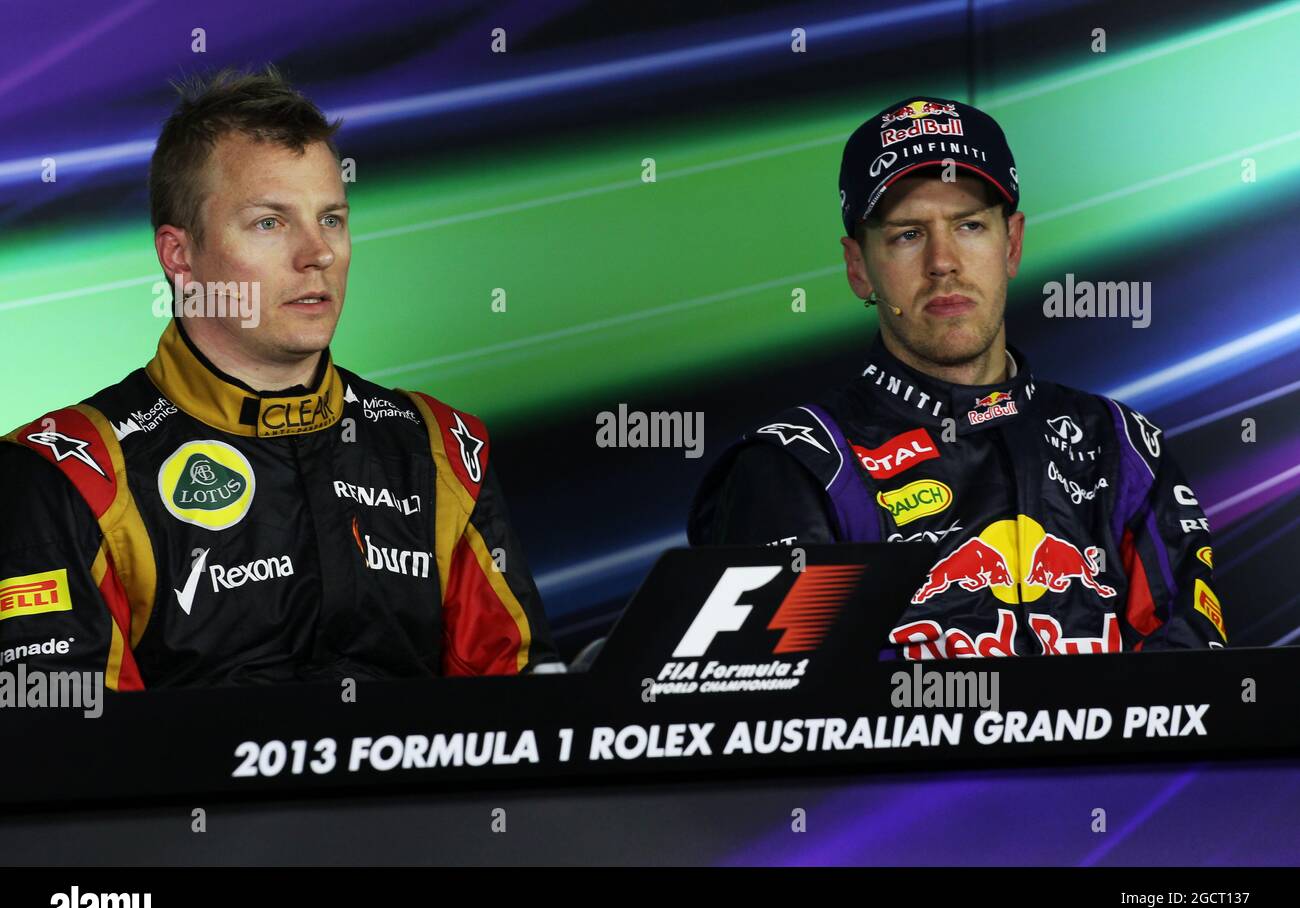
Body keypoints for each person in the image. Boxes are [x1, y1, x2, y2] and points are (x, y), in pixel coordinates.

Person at [0, 66, 560, 687]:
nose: (316, 253)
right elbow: (64, 757)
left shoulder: (440, 451)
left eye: (331, 219)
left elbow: (526, 719)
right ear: (179, 256)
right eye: (270, 222)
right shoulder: (70, 476)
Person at [688, 96, 1226, 657]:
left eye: (969, 225)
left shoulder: (1121, 446)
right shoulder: (799, 468)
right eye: (907, 234)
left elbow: (1189, 692)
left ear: (1011, 244)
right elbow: (781, 717)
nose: (942, 261)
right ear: (858, 267)